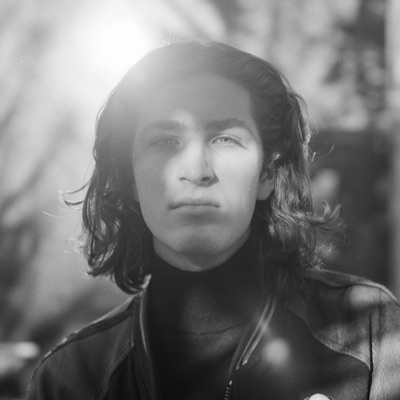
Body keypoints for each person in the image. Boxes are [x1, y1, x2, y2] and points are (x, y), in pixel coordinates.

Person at [27, 41, 400, 400]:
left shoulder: (371, 331)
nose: (196, 170)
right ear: (131, 179)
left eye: (224, 139)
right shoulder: (69, 380)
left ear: (268, 174)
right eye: (165, 141)